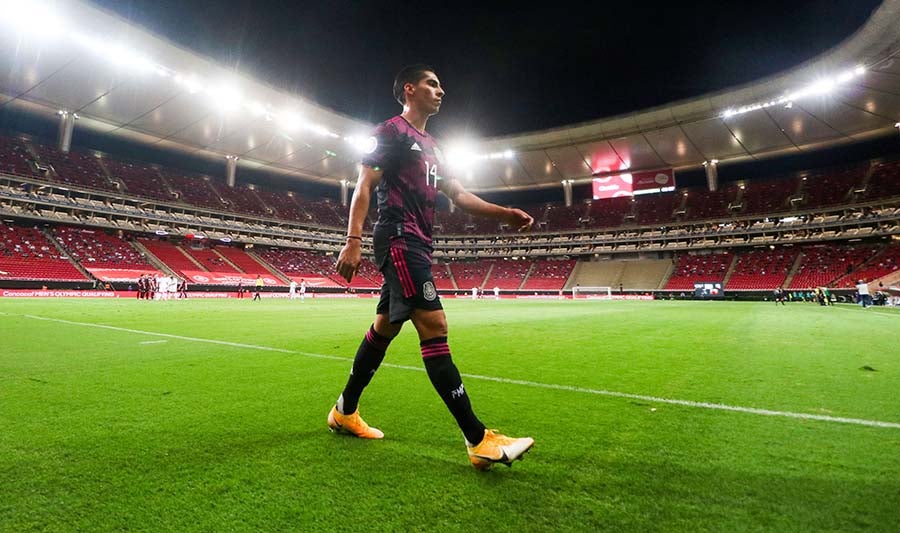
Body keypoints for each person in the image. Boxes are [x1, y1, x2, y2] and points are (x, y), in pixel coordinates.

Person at [330, 64, 535, 470]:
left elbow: (457, 194)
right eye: (432, 83)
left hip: (419, 243)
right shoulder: (389, 132)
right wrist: (352, 241)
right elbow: (365, 185)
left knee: (384, 327)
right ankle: (479, 439)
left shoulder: (434, 148)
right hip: (399, 238)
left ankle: (344, 411)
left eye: (441, 85)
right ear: (409, 89)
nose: (441, 90)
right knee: (435, 326)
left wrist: (504, 214)